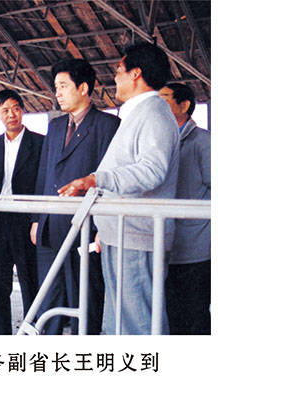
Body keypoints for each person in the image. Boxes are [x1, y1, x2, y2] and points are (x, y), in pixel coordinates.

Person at [58, 42, 180, 335]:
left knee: (137, 322)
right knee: (119, 321)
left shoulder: (153, 113)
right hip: (122, 232)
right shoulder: (137, 113)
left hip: (137, 235)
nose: (115, 77)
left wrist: (96, 180)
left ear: (136, 73)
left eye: (119, 70)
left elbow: (152, 170)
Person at [30, 58, 120, 335]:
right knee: (49, 298)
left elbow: (110, 179)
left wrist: (103, 227)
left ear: (83, 88)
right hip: (49, 227)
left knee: (86, 299)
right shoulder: (56, 126)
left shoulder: (107, 125)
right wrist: (37, 219)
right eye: (56, 87)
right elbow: (44, 173)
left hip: (85, 228)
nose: (57, 92)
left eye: (63, 86)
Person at [0, 89, 43, 334]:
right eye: (4, 110)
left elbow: (44, 184)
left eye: (16, 108)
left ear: (23, 110)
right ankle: (1, 337)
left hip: (26, 221)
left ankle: (33, 333)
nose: (11, 114)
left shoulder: (41, 144)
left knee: (30, 282)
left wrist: (37, 219)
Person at [158, 82, 211, 335]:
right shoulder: (160, 142)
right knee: (169, 312)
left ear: (184, 105)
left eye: (165, 99)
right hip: (165, 242)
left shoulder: (203, 142)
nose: (158, 105)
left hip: (195, 246)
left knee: (194, 313)